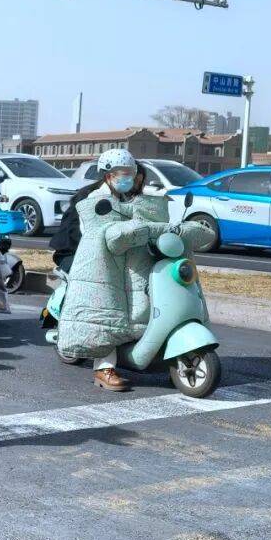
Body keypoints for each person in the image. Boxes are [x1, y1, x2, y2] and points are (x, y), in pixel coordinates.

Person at [56, 149, 175, 392]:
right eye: (124, 174)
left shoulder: (129, 198)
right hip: (100, 263)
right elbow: (97, 231)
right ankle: (104, 369)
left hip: (128, 261)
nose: (130, 178)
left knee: (141, 306)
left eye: (132, 173)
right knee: (107, 313)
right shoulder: (96, 199)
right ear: (109, 175)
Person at [48, 164, 147, 274]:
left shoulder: (122, 198)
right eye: (133, 180)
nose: (136, 186)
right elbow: (89, 235)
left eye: (140, 182)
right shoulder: (94, 197)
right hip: (73, 254)